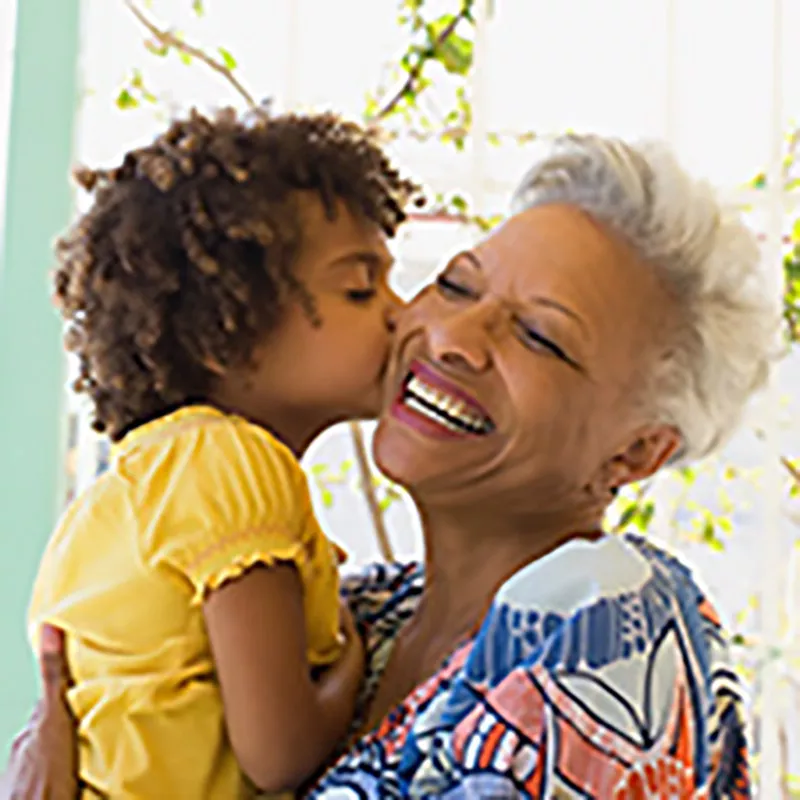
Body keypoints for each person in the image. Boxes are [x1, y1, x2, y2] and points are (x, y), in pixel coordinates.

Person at [7, 132, 774, 798]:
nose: (449, 338)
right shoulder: (360, 612)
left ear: (636, 451)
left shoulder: (611, 625)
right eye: (456, 284)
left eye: (539, 336)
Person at [24, 106, 421, 798]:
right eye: (359, 288)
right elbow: (279, 754)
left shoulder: (152, 477)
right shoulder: (234, 464)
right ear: (225, 332)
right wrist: (356, 670)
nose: (401, 310)